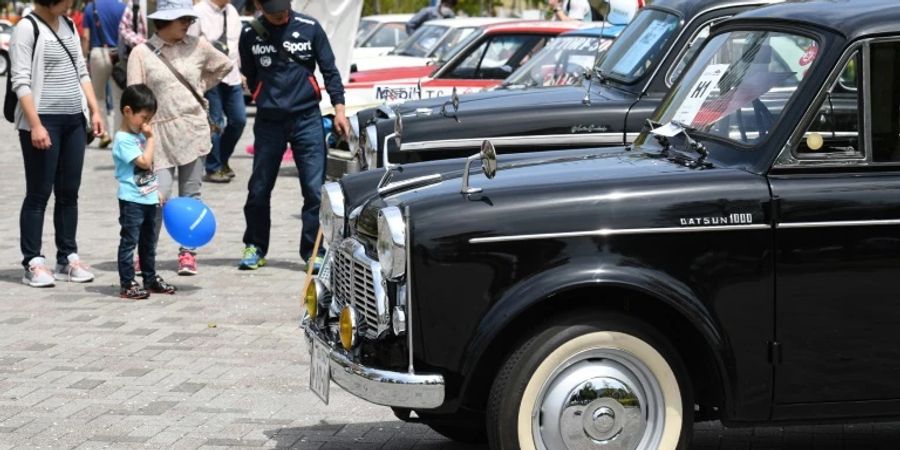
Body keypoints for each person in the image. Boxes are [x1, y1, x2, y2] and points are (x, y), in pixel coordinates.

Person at [237, 0, 349, 271]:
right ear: (259, 6)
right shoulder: (250, 33)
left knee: (313, 190)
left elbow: (330, 70)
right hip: (269, 122)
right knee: (259, 188)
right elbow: (250, 75)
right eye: (274, 12)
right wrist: (265, 94)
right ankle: (255, 245)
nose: (281, 15)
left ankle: (313, 251)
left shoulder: (310, 28)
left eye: (284, 9)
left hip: (307, 119)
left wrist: (340, 110)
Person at [127, 0, 232, 276]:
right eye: (181, 18)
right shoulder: (141, 52)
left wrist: (200, 86)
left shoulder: (198, 45)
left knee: (191, 193)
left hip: (193, 130)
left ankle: (188, 252)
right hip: (156, 134)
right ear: (163, 21)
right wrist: (136, 138)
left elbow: (224, 66)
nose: (187, 23)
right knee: (155, 197)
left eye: (188, 18)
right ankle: (145, 252)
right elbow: (134, 96)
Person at [9, 0, 105, 287]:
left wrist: (95, 109)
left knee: (69, 192)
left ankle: (67, 257)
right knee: (39, 194)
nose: (71, 4)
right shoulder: (26, 28)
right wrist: (35, 124)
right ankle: (33, 262)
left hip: (74, 119)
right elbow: (20, 81)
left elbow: (82, 70)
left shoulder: (69, 24)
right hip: (43, 120)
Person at [113, 84, 177, 299]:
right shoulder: (123, 140)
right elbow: (143, 161)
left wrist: (155, 190)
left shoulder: (139, 136)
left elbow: (148, 169)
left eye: (150, 119)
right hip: (132, 200)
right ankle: (127, 282)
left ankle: (149, 278)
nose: (147, 124)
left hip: (147, 197)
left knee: (149, 241)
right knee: (129, 241)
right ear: (128, 111)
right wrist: (150, 139)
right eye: (144, 117)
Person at [189, 0, 246, 183]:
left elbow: (235, 46)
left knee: (239, 120)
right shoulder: (198, 12)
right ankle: (213, 167)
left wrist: (241, 71)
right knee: (215, 122)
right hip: (209, 76)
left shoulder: (232, 12)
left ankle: (223, 159)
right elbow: (189, 46)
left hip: (232, 75)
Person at [82, 0, 126, 147]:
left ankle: (104, 133)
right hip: (117, 55)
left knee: (97, 96)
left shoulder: (91, 7)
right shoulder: (122, 7)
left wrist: (83, 56)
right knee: (119, 97)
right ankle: (119, 136)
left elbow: (86, 36)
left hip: (98, 53)